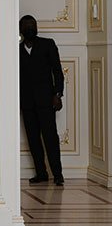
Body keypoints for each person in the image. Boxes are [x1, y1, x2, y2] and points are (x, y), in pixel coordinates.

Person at [19, 15, 65, 187]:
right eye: (27, 26)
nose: (30, 28)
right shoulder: (17, 51)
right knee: (33, 139)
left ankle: (58, 175)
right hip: (27, 103)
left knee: (50, 138)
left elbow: (57, 72)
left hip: (47, 101)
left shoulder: (48, 44)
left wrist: (58, 95)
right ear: (21, 30)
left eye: (33, 25)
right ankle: (41, 173)